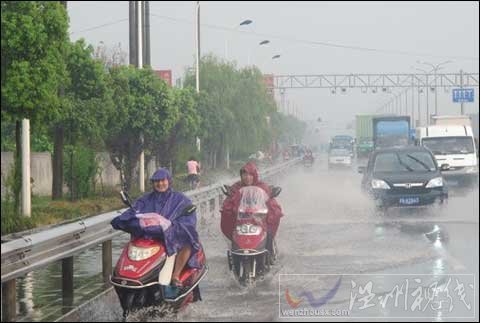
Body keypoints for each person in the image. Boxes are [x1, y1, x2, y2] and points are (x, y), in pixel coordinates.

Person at [111, 168, 201, 292]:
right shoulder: (144, 200)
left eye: (162, 180)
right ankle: (128, 275)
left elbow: (189, 220)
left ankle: (175, 275)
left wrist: (172, 227)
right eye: (156, 181)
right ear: (153, 183)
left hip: (172, 237)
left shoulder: (181, 199)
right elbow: (131, 213)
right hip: (148, 238)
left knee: (188, 241)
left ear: (169, 181)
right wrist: (136, 223)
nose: (160, 184)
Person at [220, 162, 283, 252]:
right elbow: (230, 199)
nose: (247, 177)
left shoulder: (262, 186)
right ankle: (234, 253)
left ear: (254, 175)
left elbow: (269, 199)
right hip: (241, 219)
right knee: (232, 229)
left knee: (269, 229)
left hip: (259, 218)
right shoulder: (236, 187)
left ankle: (270, 250)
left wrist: (270, 200)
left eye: (250, 175)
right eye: (244, 175)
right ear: (241, 176)